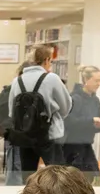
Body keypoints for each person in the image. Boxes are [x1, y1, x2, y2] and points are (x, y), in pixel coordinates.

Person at [7, 45, 72, 179]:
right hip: (49, 134)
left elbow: (11, 112)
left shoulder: (17, 81)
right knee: (57, 176)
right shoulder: (52, 78)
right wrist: (57, 117)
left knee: (28, 176)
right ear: (47, 60)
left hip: (25, 135)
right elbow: (66, 105)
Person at [62, 65, 100, 178]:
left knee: (95, 177)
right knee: (74, 178)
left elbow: (98, 126)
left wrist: (97, 125)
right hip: (72, 146)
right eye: (96, 80)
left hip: (87, 144)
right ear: (86, 80)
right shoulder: (74, 99)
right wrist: (91, 121)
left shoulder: (95, 101)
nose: (99, 84)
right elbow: (69, 122)